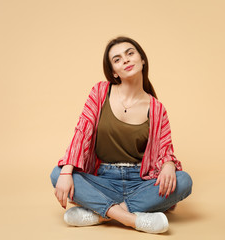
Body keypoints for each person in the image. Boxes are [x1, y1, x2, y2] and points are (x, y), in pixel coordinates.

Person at [50, 36, 192, 234]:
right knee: (57, 174)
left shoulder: (157, 108)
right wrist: (66, 171)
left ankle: (100, 214)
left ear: (142, 60)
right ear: (114, 73)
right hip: (103, 179)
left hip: (140, 181)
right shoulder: (100, 92)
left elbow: (164, 150)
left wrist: (168, 165)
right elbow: (82, 132)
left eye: (130, 53)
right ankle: (133, 219)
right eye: (117, 59)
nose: (125, 60)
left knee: (184, 181)